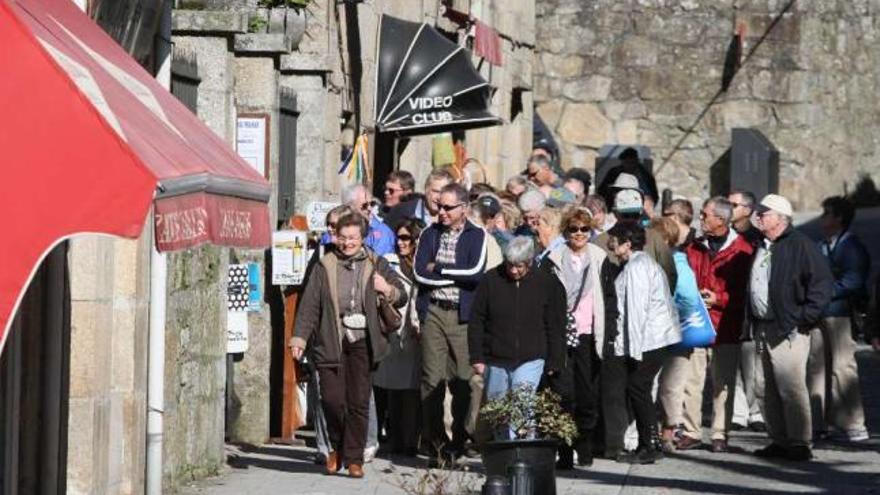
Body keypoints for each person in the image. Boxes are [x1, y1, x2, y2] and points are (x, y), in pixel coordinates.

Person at [291, 213, 407, 479]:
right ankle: (337, 446)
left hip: (363, 341)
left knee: (357, 401)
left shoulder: (376, 263)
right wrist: (299, 338)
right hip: (331, 339)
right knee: (331, 399)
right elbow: (310, 305)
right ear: (335, 237)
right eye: (342, 238)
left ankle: (354, 458)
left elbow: (400, 294)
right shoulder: (325, 265)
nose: (347, 243)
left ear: (363, 238)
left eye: (352, 238)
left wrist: (386, 288)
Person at [749, 194, 833, 461]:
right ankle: (779, 439)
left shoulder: (800, 245)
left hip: (789, 327)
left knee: (791, 386)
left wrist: (804, 317)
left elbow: (821, 284)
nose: (758, 217)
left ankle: (799, 442)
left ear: (779, 218)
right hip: (763, 325)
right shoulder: (761, 244)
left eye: (764, 213)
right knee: (764, 387)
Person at [414, 183, 488, 461]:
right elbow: (420, 274)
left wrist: (440, 269)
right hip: (433, 311)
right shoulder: (429, 233)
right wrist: (451, 275)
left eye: (447, 207)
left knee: (464, 381)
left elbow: (474, 273)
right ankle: (436, 443)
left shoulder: (476, 235)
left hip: (462, 315)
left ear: (463, 208)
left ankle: (461, 437)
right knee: (431, 380)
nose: (441, 212)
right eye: (438, 206)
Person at [468, 236, 566, 439]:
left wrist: (555, 360)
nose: (513, 271)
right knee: (499, 411)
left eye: (519, 266)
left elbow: (555, 324)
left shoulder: (546, 282)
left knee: (522, 408)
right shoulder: (491, 280)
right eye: (510, 265)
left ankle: (522, 457)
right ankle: (504, 456)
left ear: (530, 262)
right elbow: (477, 319)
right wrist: (477, 356)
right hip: (496, 357)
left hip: (531, 357)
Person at [677, 197, 754, 453]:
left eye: (704, 215)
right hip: (697, 322)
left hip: (726, 326)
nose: (700, 218)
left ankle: (720, 433)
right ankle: (691, 431)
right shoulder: (695, 247)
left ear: (720, 220)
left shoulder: (742, 250)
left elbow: (745, 292)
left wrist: (718, 298)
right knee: (692, 380)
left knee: (723, 383)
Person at [543, 207, 618, 469]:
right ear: (566, 230)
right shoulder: (552, 258)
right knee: (563, 396)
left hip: (588, 336)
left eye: (584, 229)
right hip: (561, 337)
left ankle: (583, 445)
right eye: (573, 229)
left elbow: (609, 299)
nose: (579, 234)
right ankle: (564, 451)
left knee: (587, 396)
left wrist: (609, 335)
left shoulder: (599, 258)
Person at [604, 222, 681, 464]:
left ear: (627, 243)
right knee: (639, 389)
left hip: (650, 341)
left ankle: (650, 445)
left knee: (638, 388)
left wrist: (633, 352)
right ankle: (648, 443)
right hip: (652, 340)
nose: (611, 243)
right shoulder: (637, 265)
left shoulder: (637, 268)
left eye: (615, 239)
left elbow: (637, 312)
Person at [807, 196, 870, 442]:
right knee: (816, 368)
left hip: (840, 313)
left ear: (838, 218)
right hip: (820, 313)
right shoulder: (823, 244)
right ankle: (818, 421)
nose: (822, 218)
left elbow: (854, 280)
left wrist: (824, 293)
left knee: (843, 367)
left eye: (826, 214)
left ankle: (855, 422)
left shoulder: (851, 246)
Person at [372, 219, 425, 456]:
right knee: (394, 388)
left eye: (406, 238)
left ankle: (411, 440)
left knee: (413, 390)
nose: (401, 243)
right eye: (399, 238)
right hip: (395, 328)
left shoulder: (423, 265)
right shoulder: (390, 263)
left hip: (416, 331)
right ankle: (396, 439)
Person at [727, 189, 765, 432]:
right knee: (733, 363)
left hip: (751, 309)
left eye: (734, 204)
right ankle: (739, 411)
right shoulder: (724, 236)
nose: (728, 208)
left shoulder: (757, 239)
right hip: (729, 306)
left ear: (748, 210)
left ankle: (757, 411)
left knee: (754, 364)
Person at [595, 188, 676, 291]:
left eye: (634, 214)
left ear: (641, 214)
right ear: (615, 213)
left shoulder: (654, 238)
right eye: (625, 215)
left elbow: (670, 274)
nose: (630, 219)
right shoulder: (599, 243)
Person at [342, 183, 395, 256]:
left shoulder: (382, 232)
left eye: (372, 204)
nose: (370, 208)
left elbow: (379, 263)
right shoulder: (339, 227)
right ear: (350, 207)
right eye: (364, 205)